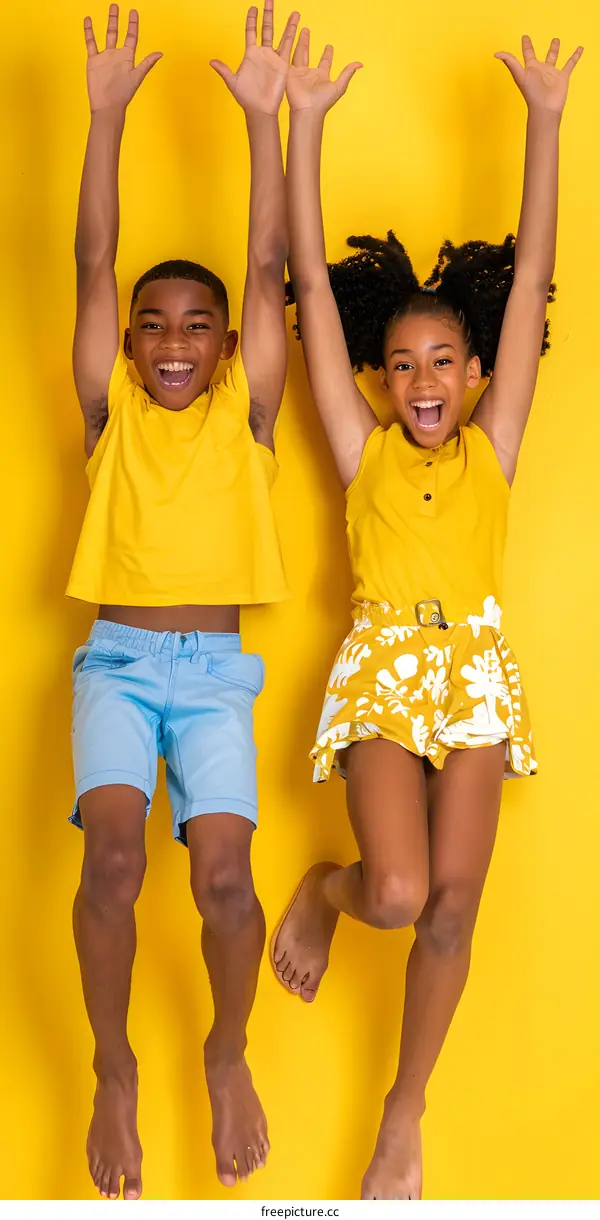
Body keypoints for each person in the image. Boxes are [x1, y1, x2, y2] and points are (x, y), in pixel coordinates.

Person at [271, 28, 583, 1200]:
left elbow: (533, 278)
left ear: (475, 369)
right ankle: (326, 887)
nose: (424, 383)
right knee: (398, 894)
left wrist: (545, 124)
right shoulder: (360, 455)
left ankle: (404, 1118)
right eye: (400, 364)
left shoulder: (497, 445)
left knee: (455, 906)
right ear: (378, 377)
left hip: (480, 676)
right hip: (386, 672)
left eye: (444, 360)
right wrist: (303, 129)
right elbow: (304, 285)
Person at [69, 0, 297, 1199]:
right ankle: (115, 1066)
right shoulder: (106, 419)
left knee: (223, 884)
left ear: (223, 350)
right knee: (112, 864)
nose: (170, 341)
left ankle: (224, 1046)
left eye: (194, 327)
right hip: (115, 660)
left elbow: (263, 268)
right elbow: (92, 260)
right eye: (152, 327)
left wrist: (262, 122)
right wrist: (105, 118)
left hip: (214, 674)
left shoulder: (247, 421)